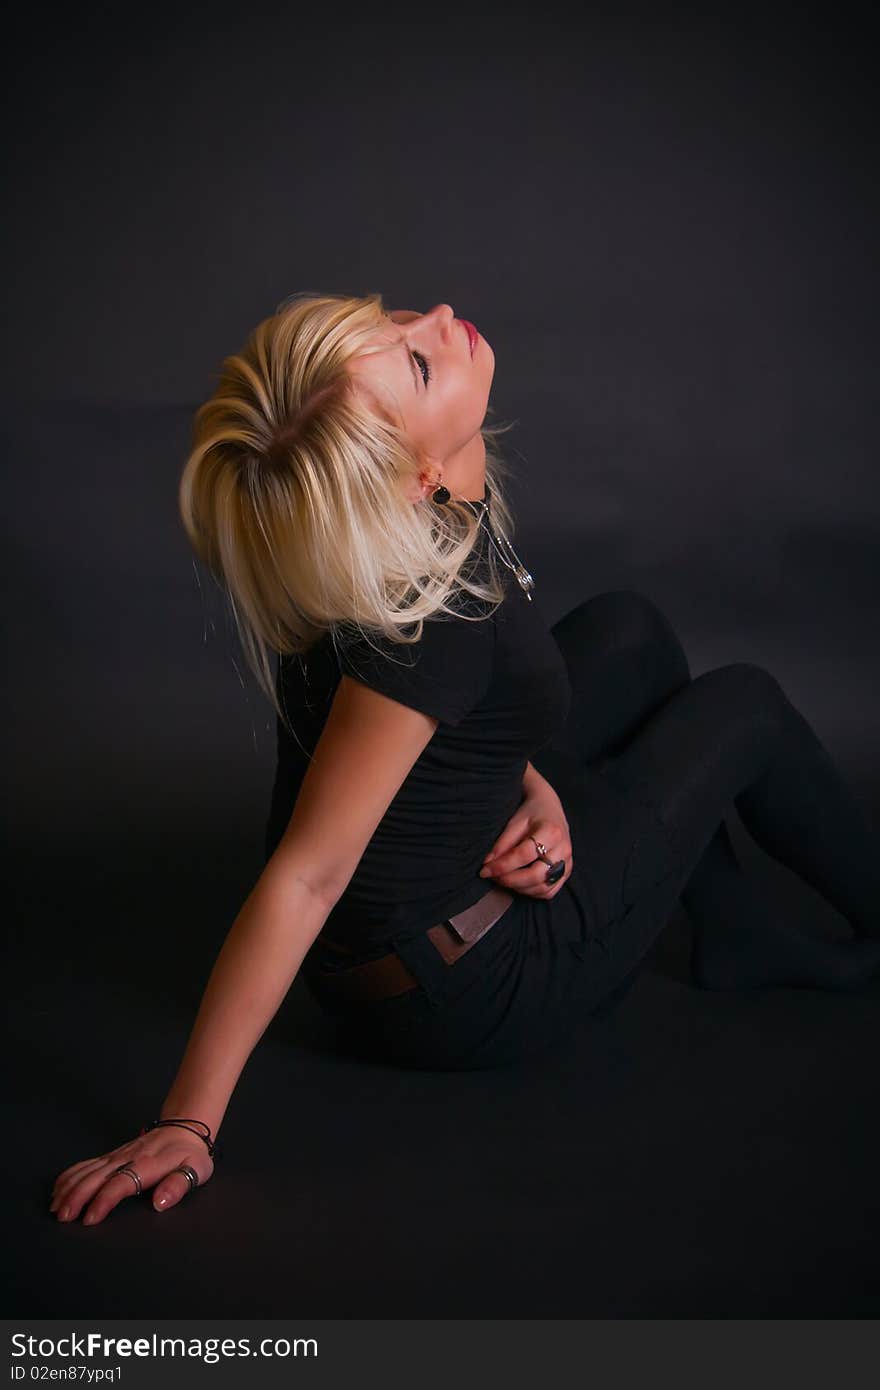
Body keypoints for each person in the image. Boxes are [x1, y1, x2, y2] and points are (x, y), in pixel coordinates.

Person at [49, 292, 880, 1228]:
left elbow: (441, 732)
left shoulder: (380, 521)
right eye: (416, 362)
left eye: (396, 325)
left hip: (420, 894)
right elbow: (308, 874)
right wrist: (188, 1123)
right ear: (415, 477)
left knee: (629, 634)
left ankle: (731, 929)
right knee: (746, 707)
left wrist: (534, 783)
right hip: (460, 986)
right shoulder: (427, 624)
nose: (438, 318)